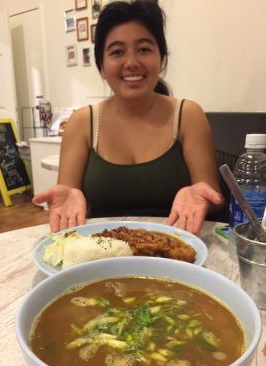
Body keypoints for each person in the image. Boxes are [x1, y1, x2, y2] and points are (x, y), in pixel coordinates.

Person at [33, 0, 223, 234]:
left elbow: (213, 199)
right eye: (117, 52)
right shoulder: (81, 123)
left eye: (144, 49)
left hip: (176, 250)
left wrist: (203, 197)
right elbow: (68, 198)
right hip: (102, 253)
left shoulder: (188, 115)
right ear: (102, 66)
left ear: (161, 58)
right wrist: (69, 198)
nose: (131, 63)